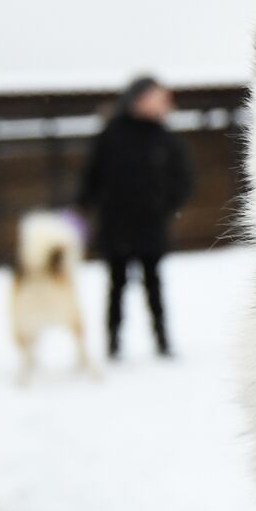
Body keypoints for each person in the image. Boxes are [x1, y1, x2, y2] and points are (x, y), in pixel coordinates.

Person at [77, 76, 194, 360]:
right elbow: (91, 176)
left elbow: (184, 179)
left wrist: (165, 205)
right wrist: (83, 206)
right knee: (116, 286)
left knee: (153, 285)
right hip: (116, 224)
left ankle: (162, 340)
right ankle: (114, 343)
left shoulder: (165, 137)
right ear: (138, 99)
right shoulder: (112, 134)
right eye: (158, 97)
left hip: (150, 225)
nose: (165, 104)